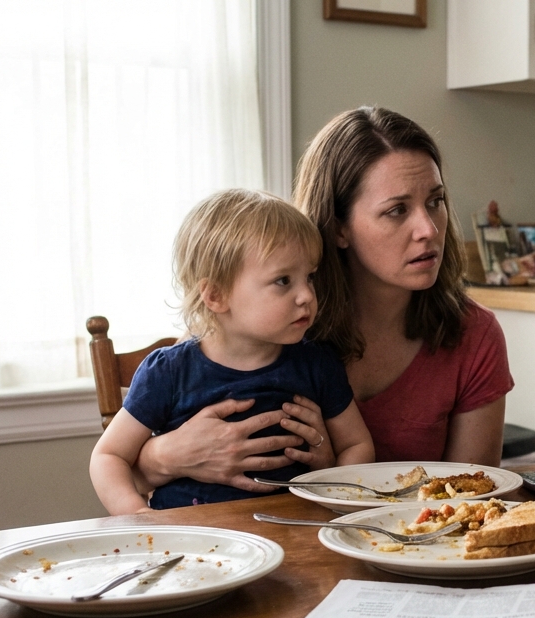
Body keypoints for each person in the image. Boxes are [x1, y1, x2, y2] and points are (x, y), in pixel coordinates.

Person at [131, 108, 513, 493]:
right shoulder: (264, 320)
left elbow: (471, 502)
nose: (429, 229)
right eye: (397, 210)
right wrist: (163, 456)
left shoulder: (474, 335)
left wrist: (334, 475)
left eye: (436, 200)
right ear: (339, 227)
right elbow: (139, 481)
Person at [90, 190, 374, 515]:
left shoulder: (316, 364)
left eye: (308, 277)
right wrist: (137, 515)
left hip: (293, 533)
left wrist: (335, 494)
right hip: (193, 541)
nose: (306, 295)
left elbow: (357, 444)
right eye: (283, 281)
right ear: (215, 295)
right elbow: (108, 457)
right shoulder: (168, 372)